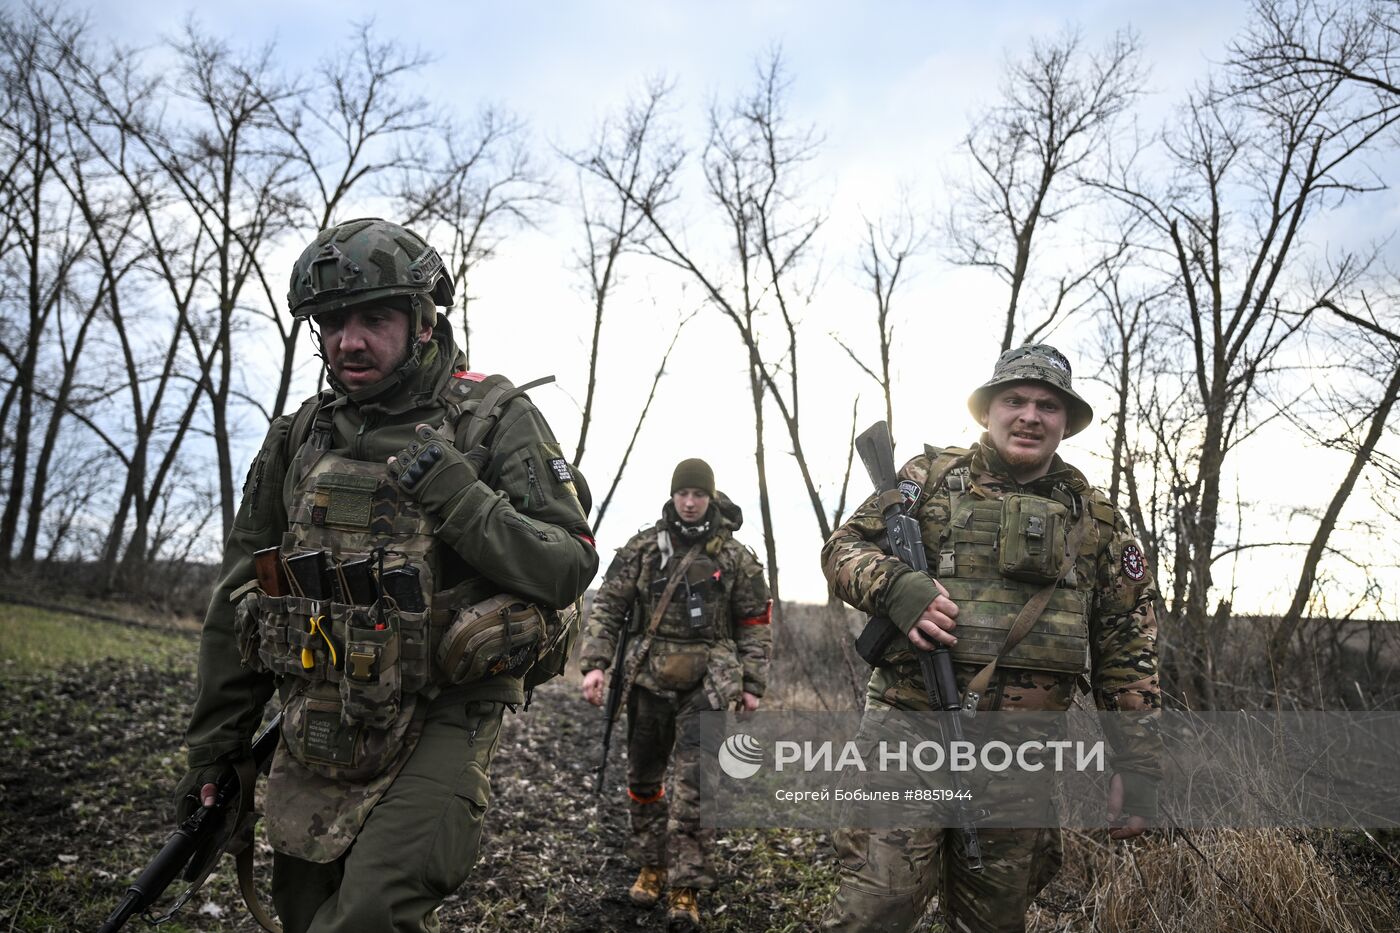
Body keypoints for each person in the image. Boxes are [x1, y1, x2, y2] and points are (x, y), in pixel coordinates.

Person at [173, 217, 598, 933]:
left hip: (444, 710)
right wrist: (217, 747)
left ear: (424, 321)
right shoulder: (299, 436)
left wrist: (463, 498)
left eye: (375, 317)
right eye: (333, 322)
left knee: (367, 913)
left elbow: (567, 564)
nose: (351, 340)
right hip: (321, 703)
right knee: (304, 909)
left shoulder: (494, 419)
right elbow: (242, 595)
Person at [820, 344, 1160, 933]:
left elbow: (1128, 650)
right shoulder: (926, 482)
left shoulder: (1098, 523)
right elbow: (841, 550)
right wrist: (896, 587)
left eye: (1047, 405)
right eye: (1015, 400)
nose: (1030, 415)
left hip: (1018, 759)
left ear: (1065, 422)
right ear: (987, 411)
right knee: (878, 905)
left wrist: (1138, 765)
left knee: (992, 920)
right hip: (911, 735)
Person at [578, 459, 772, 931]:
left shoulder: (735, 557)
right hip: (647, 682)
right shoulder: (645, 548)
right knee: (644, 780)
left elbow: (754, 622)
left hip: (708, 685)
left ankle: (685, 887)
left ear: (710, 497)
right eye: (683, 493)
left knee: (697, 789)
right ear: (673, 495)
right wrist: (595, 665)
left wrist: (752, 685)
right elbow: (607, 606)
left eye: (698, 494)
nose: (690, 502)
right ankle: (652, 866)